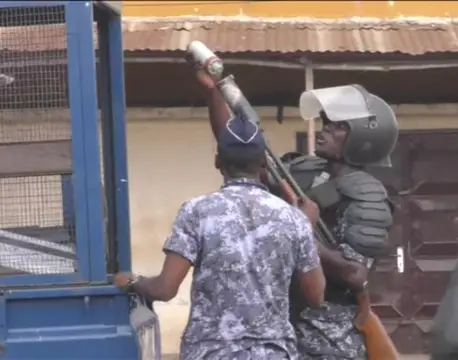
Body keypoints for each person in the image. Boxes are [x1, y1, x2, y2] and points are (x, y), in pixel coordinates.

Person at [112, 113, 326, 360]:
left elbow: (165, 288)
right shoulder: (294, 219)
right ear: (264, 165)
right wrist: (306, 230)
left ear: (217, 161)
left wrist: (132, 282)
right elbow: (316, 296)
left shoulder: (197, 211)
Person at [268, 85, 399, 359]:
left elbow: (354, 273)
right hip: (285, 328)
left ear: (363, 138)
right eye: (326, 122)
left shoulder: (368, 196)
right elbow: (256, 168)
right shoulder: (306, 171)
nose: (325, 129)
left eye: (338, 126)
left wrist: (303, 230)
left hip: (330, 339)